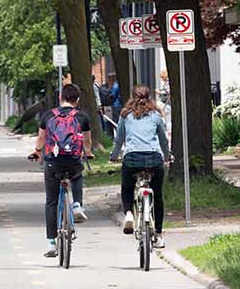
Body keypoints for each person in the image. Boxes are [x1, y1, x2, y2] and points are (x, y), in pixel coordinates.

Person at [30, 84, 94, 257]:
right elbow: (87, 141)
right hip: (72, 160)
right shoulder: (82, 117)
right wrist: (87, 153)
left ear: (60, 98)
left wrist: (37, 151)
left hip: (53, 162)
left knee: (51, 201)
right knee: (77, 174)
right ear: (77, 99)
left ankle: (51, 242)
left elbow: (41, 139)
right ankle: (77, 205)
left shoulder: (48, 115)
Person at [109, 85, 170, 248]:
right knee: (157, 196)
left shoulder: (125, 115)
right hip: (154, 159)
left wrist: (114, 156)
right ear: (149, 97)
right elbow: (163, 140)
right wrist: (167, 155)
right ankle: (158, 234)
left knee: (127, 188)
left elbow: (119, 139)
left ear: (132, 97)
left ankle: (129, 213)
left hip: (132, 159)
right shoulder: (156, 115)